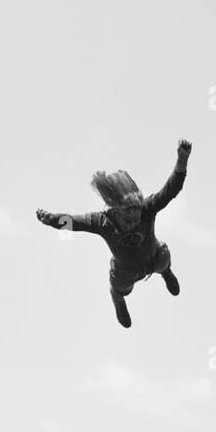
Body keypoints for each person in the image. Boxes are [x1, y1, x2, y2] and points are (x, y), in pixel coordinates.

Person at [35, 139, 192, 329]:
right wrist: (51, 219)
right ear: (116, 212)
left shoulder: (147, 209)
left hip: (152, 257)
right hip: (125, 269)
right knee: (121, 286)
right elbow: (74, 222)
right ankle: (117, 299)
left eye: (137, 219)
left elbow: (170, 190)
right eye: (129, 220)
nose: (134, 223)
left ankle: (166, 272)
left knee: (163, 258)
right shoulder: (102, 222)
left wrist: (182, 161)